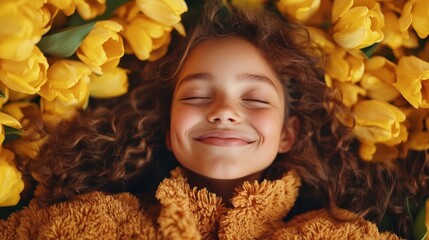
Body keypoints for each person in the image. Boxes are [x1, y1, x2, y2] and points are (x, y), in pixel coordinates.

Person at [0, 1, 403, 239]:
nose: (224, 110)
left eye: (255, 97)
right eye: (196, 94)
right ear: (169, 130)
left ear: (287, 134)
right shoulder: (87, 222)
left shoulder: (341, 235)